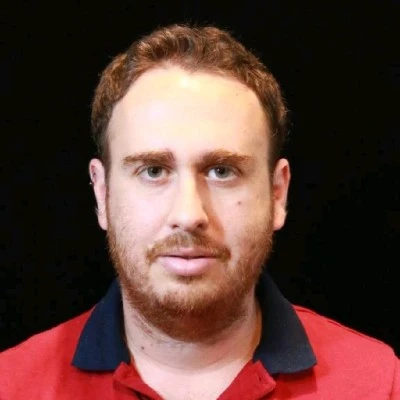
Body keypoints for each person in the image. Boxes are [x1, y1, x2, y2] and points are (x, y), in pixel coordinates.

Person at [0, 24, 398, 400]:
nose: (189, 214)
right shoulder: (12, 385)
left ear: (278, 193)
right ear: (102, 193)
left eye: (222, 171)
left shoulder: (380, 384)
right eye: (153, 171)